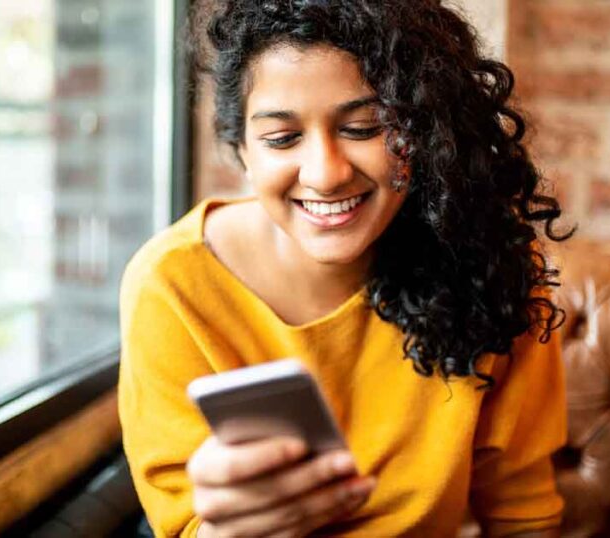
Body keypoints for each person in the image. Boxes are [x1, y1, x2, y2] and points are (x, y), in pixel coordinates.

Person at [118, 0, 574, 536]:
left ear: (425, 131)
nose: (326, 174)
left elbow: (523, 513)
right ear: (242, 149)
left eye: (364, 127)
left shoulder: (489, 263)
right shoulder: (173, 286)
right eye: (282, 138)